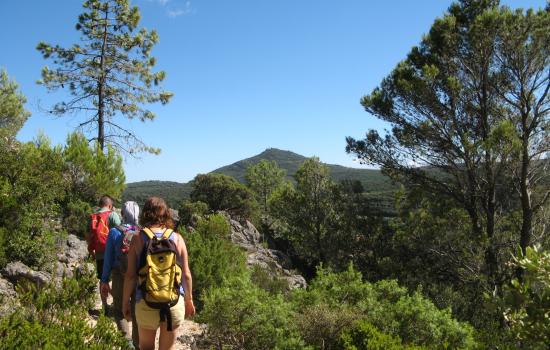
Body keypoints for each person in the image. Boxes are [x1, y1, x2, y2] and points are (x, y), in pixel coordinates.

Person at [122, 197, 195, 350]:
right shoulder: (178, 239)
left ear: (145, 214)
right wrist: (189, 300)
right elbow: (186, 274)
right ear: (166, 214)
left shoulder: (137, 238)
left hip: (145, 303)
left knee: (146, 347)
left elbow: (130, 276)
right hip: (173, 303)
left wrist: (125, 303)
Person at [100, 201, 141, 349]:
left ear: (122, 214)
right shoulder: (141, 232)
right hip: (137, 277)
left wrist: (104, 280)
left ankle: (127, 343)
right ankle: (137, 344)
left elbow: (108, 259)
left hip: (119, 276)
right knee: (137, 313)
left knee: (119, 311)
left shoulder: (114, 232)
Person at [88, 195, 122, 311]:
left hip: (99, 253)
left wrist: (91, 251)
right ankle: (117, 302)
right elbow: (120, 233)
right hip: (113, 254)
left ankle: (104, 305)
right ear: (110, 205)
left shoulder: (93, 217)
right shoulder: (112, 215)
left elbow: (89, 236)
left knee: (103, 279)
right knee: (116, 278)